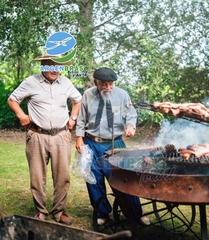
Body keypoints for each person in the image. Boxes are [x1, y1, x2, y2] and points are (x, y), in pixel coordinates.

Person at [7, 53, 82, 225]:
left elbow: (77, 100)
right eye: (51, 65)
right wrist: (21, 115)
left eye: (58, 66)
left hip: (61, 135)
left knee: (63, 176)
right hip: (37, 135)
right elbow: (12, 99)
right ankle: (41, 211)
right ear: (43, 66)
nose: (55, 70)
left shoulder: (66, 82)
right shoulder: (30, 82)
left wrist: (73, 118)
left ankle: (59, 211)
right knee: (37, 176)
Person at [75, 67, 150, 226]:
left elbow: (131, 114)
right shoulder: (88, 95)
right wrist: (79, 139)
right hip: (92, 142)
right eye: (104, 84)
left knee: (123, 178)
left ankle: (136, 213)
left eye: (111, 84)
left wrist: (130, 125)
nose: (108, 87)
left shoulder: (122, 94)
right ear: (96, 82)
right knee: (93, 179)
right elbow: (81, 119)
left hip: (115, 143)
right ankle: (102, 213)